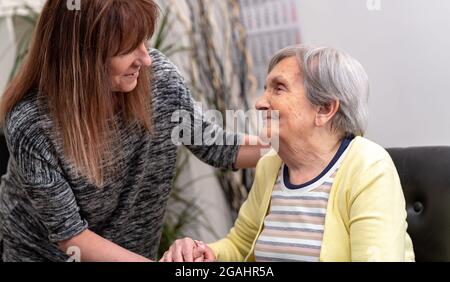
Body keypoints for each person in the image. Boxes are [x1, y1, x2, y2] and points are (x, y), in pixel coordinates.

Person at [0, 0, 263, 262]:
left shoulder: (160, 81)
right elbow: (71, 236)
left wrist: (289, 146)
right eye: (127, 49)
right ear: (82, 55)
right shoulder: (31, 123)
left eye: (144, 41)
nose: (146, 59)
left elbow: (217, 147)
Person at [161, 45, 415, 262]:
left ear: (325, 108)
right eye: (266, 89)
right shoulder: (271, 166)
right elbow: (239, 246)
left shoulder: (368, 166)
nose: (260, 102)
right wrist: (202, 252)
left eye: (278, 88)